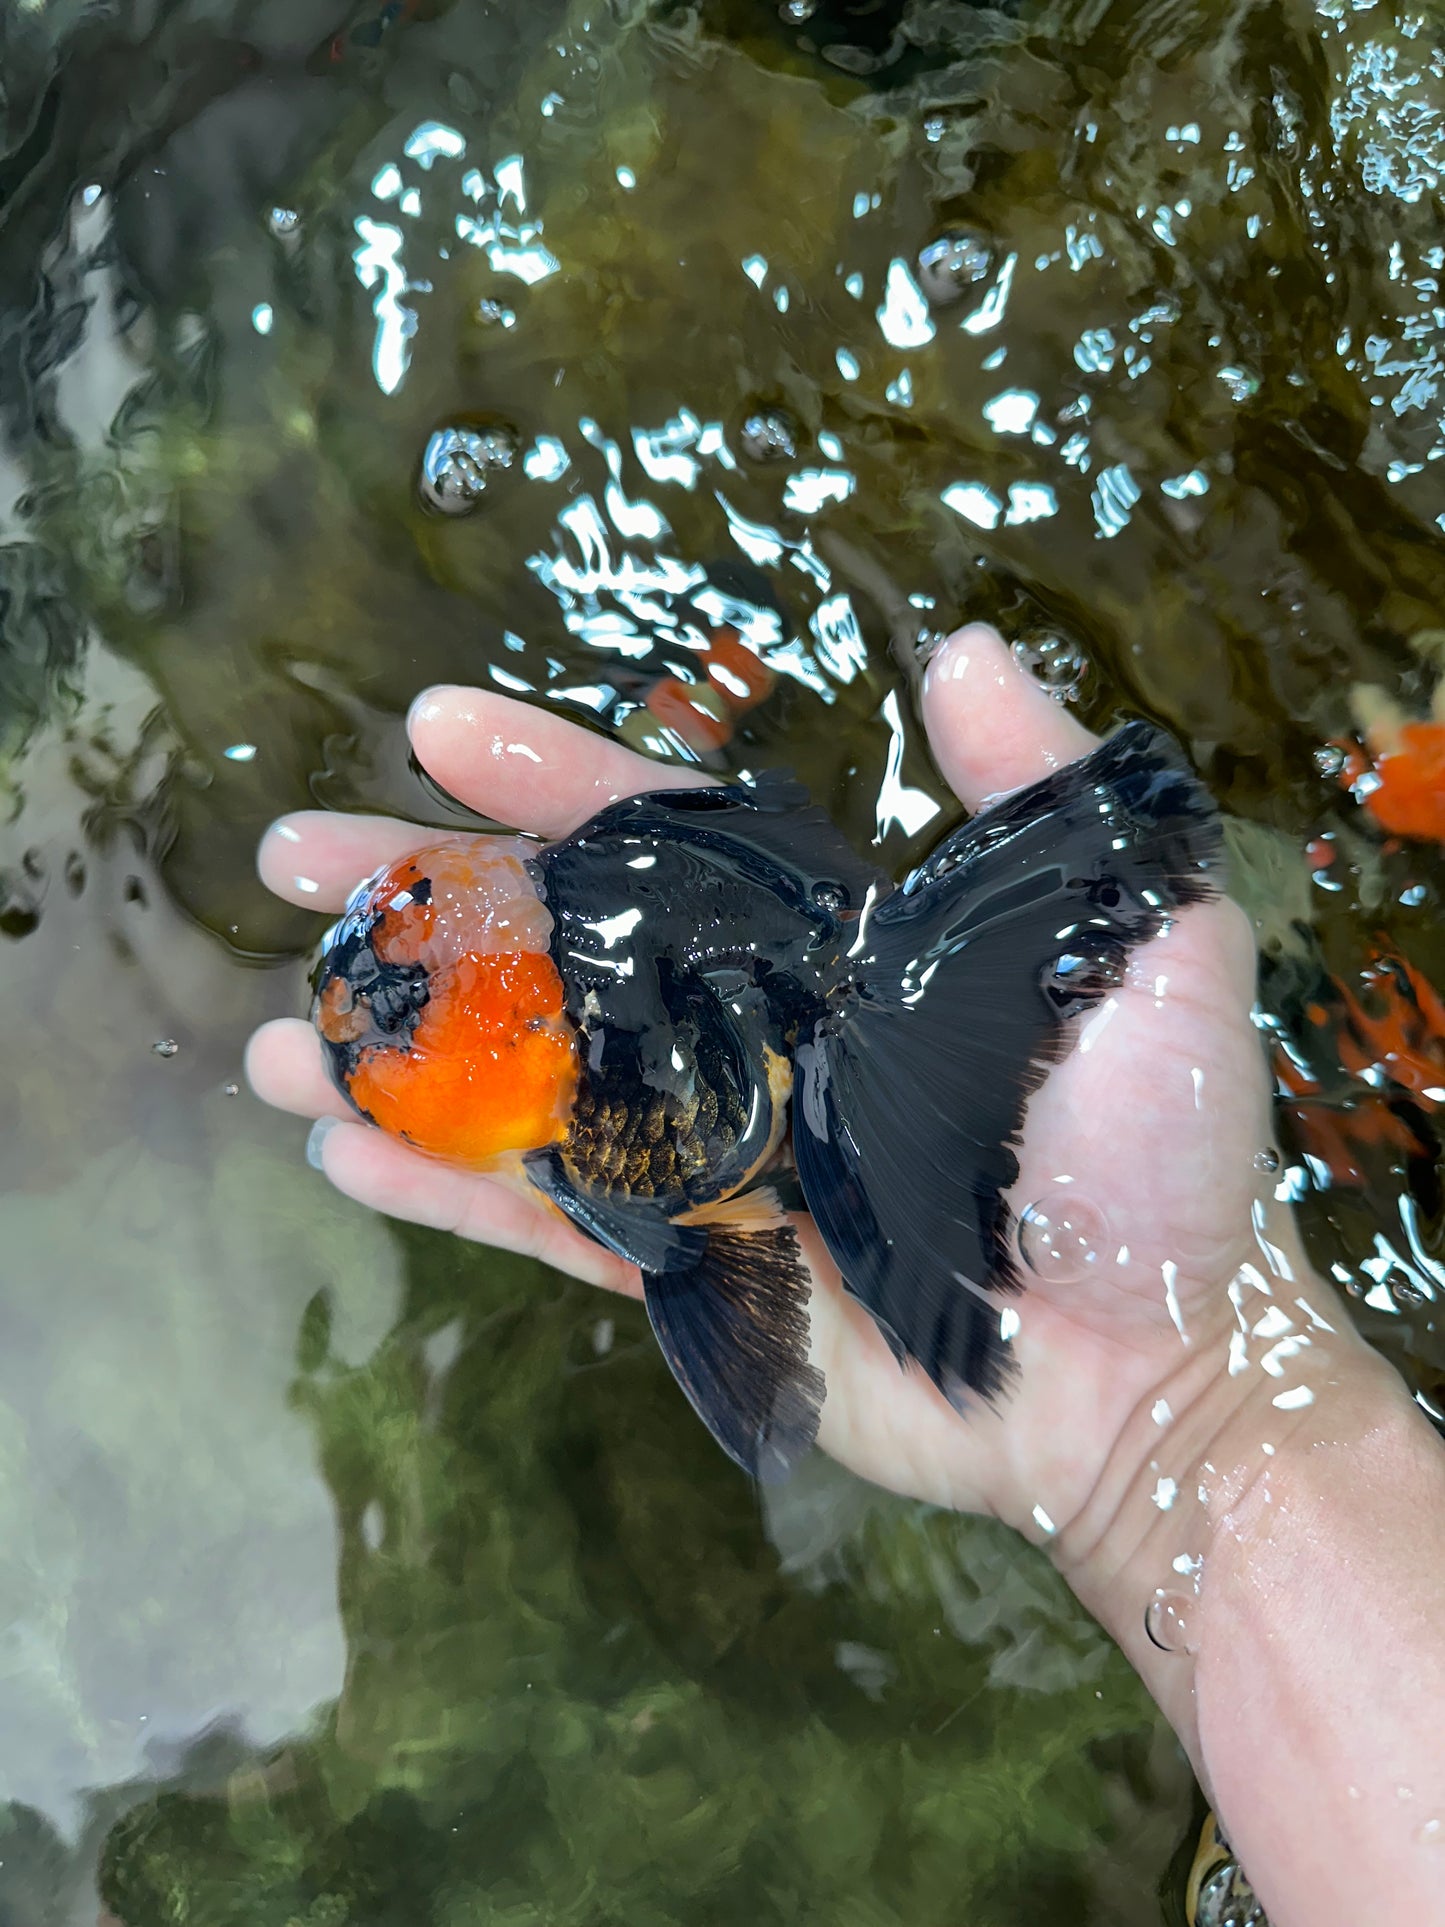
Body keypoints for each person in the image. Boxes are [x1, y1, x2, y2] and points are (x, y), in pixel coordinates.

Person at [246, 623, 1445, 1927]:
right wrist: (1199, 1409)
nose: (359, 986)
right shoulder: (577, 971)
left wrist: (1194, 1411)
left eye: (403, 992)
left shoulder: (612, 1078)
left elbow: (692, 1242)